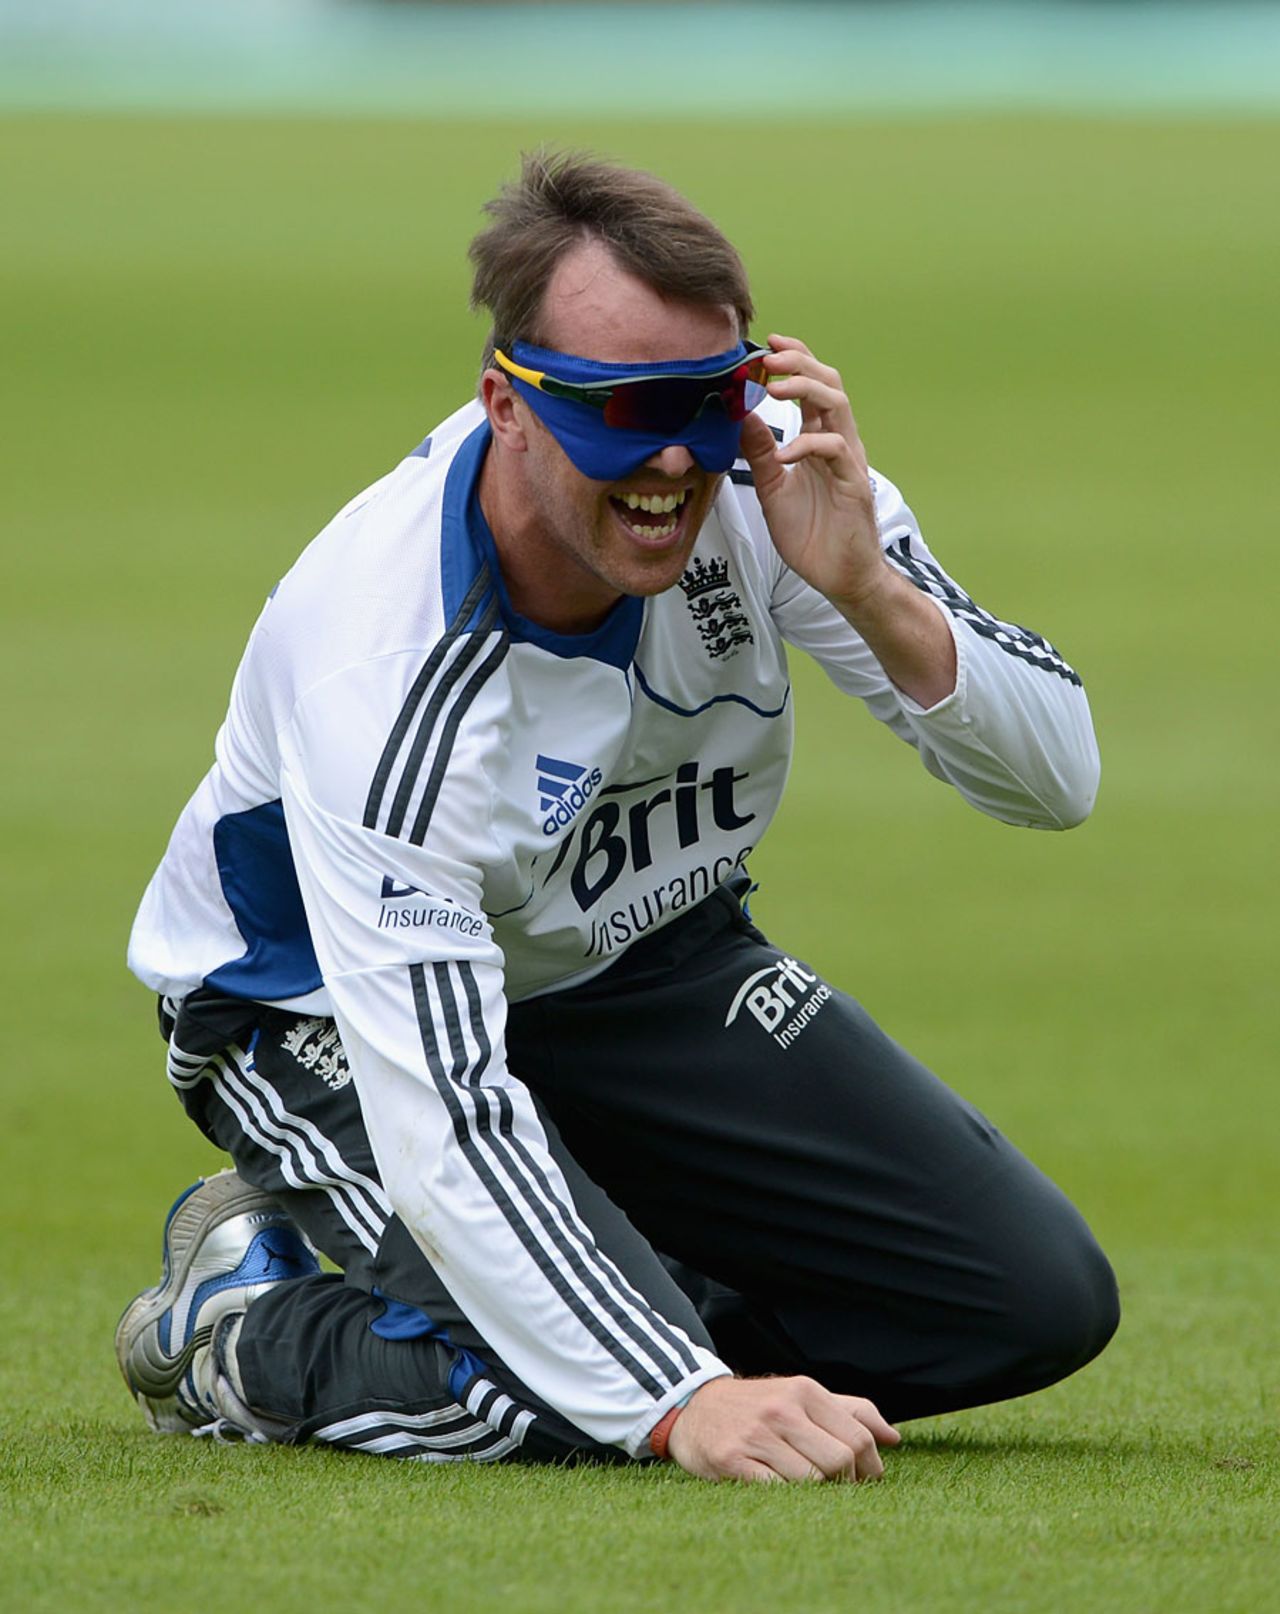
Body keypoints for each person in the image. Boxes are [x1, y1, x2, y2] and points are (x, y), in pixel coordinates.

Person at [117, 150, 1118, 1484]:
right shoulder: (385, 666)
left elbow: (1060, 781)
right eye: (617, 406)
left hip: (640, 963)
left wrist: (872, 590)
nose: (667, 457)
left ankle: (613, 1277)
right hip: (317, 1014)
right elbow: (445, 1109)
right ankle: (240, 1324)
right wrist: (678, 1396)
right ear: (507, 403)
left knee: (1026, 1303)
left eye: (707, 402)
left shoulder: (769, 490)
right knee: (563, 1394)